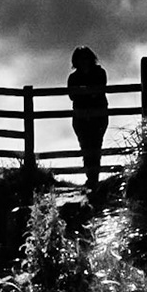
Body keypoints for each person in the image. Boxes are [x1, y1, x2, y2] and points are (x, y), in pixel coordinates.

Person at [66, 45, 109, 188]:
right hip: (81, 117)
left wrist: (84, 94)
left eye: (85, 58)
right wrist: (89, 94)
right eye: (80, 59)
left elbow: (98, 91)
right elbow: (72, 95)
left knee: (96, 144)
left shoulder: (99, 73)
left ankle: (93, 178)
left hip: (97, 116)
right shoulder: (74, 77)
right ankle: (91, 177)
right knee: (86, 146)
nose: (83, 62)